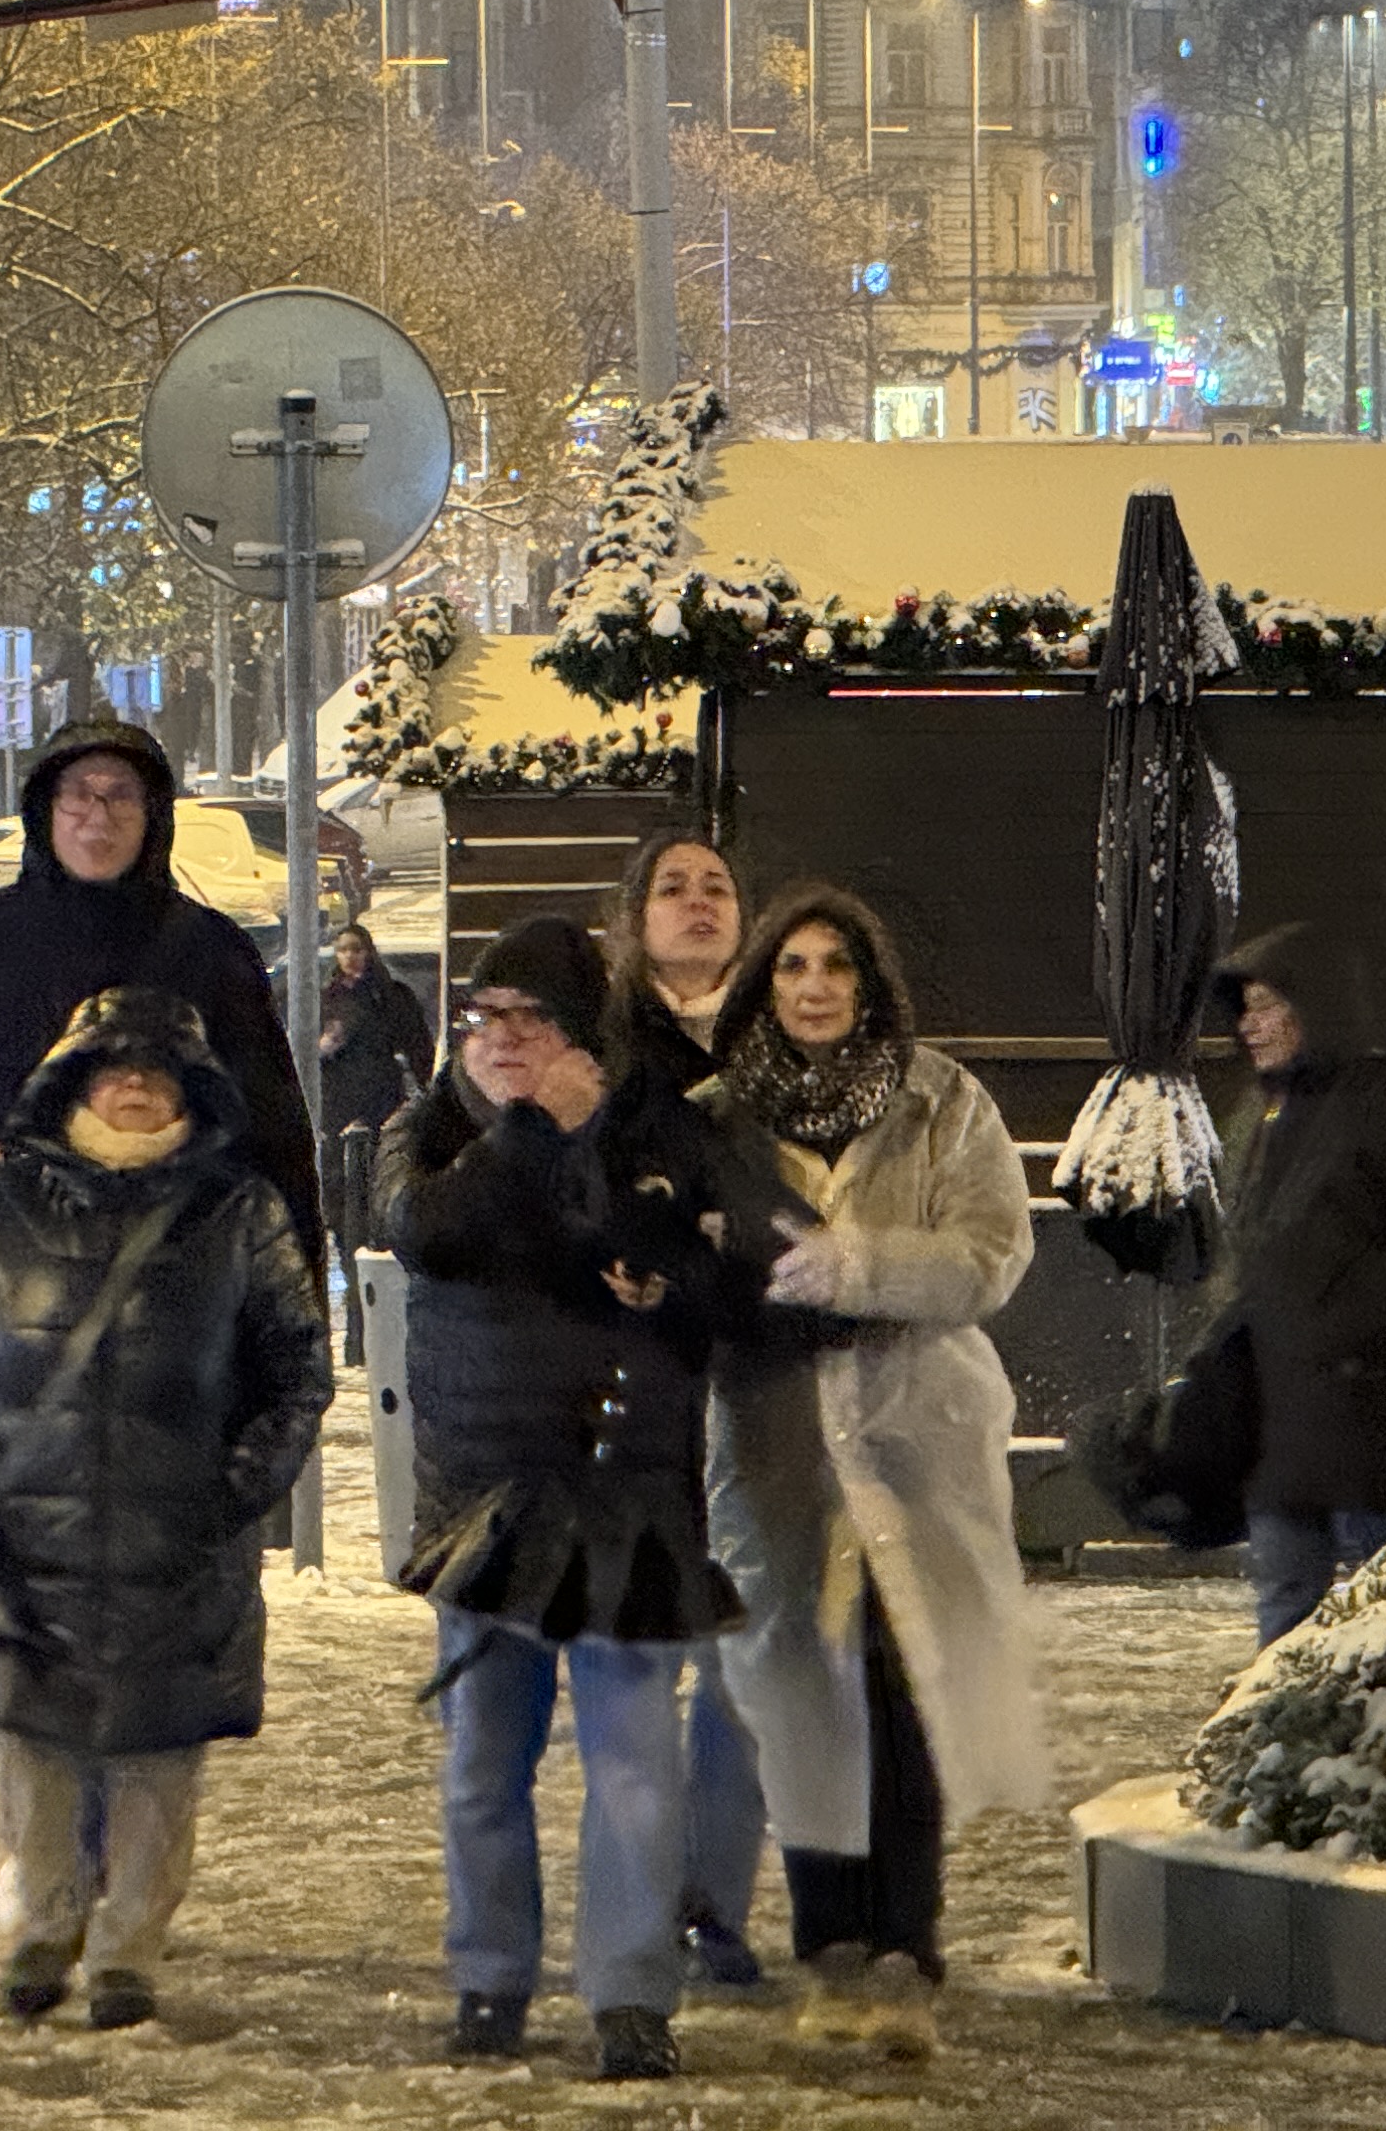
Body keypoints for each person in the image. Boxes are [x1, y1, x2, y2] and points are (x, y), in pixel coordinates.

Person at [0, 989, 332, 2032]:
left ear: (193, 1088)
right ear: (73, 1081)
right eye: (112, 1064)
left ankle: (130, 1947)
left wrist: (233, 1492)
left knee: (157, 1754)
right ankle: (44, 1928)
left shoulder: (238, 1211)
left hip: (176, 1540)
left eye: (157, 1067)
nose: (134, 1082)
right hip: (27, 1536)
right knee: (31, 1749)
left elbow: (298, 1370)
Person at [382, 916, 762, 2086]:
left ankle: (631, 1995)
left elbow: (722, 1280)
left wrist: (668, 1278)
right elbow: (426, 1233)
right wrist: (529, 1131)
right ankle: (490, 1978)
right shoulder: (432, 1128)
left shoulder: (663, 1125)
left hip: (624, 1487)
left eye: (531, 1018)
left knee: (634, 1763)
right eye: (483, 1016)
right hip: (481, 1499)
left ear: (585, 1032)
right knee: (482, 1763)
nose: (502, 1038)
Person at [702, 887, 1048, 2056]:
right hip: (777, 1433)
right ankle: (828, 1942)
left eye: (836, 965)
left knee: (909, 1684)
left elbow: (991, 1251)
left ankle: (907, 1939)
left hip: (916, 1433)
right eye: (792, 965)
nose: (814, 987)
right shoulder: (717, 1116)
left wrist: (863, 1266)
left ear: (869, 981)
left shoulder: (941, 1101)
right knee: (802, 1685)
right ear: (765, 983)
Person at [0, 716, 323, 1275]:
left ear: (153, 815)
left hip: (174, 1284)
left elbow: (274, 1138)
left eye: (121, 796)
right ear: (45, 809)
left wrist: (295, 1291)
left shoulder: (209, 951)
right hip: (3, 1285)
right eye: (79, 795)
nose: (98, 817)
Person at [596, 833, 774, 1996]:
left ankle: (718, 1900)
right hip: (639, 1391)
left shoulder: (779, 1047)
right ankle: (639, 1900)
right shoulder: (609, 1051)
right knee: (638, 1670)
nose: (698, 903)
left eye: (718, 887)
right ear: (635, 918)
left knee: (741, 1671)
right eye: (674, 888)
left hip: (758, 1383)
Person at [1217, 923, 1386, 1647]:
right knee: (1285, 1612)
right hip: (1287, 1418)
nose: (1248, 1026)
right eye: (1244, 1009)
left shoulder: (1385, 1098)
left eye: (1267, 1005)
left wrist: (1346, 1319)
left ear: (1315, 1006)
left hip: (1378, 1417)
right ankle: (1281, 1724)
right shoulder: (1265, 1111)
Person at [317, 925, 430, 1278]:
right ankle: (348, 1251)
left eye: (356, 949)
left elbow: (418, 1047)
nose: (350, 957)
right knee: (339, 1185)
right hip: (337, 1103)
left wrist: (425, 1093)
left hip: (380, 1098)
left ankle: (378, 1248)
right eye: (343, 950)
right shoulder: (324, 998)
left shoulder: (390, 996)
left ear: (368, 952)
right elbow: (300, 1051)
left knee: (380, 1175)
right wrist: (322, 1048)